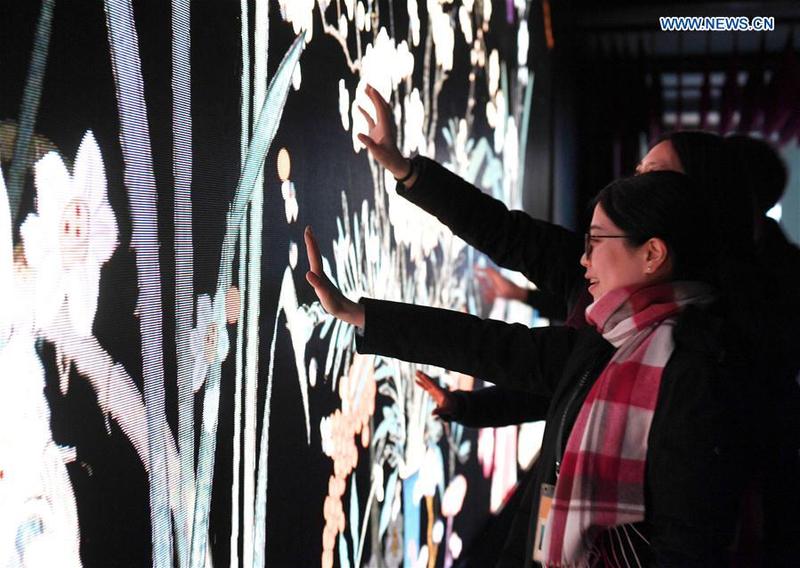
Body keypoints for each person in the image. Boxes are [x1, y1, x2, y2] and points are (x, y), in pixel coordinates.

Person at [306, 171, 754, 566]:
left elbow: (688, 544)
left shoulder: (694, 375)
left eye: (596, 242)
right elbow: (493, 346)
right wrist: (359, 314)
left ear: (652, 253)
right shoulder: (611, 339)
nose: (584, 260)